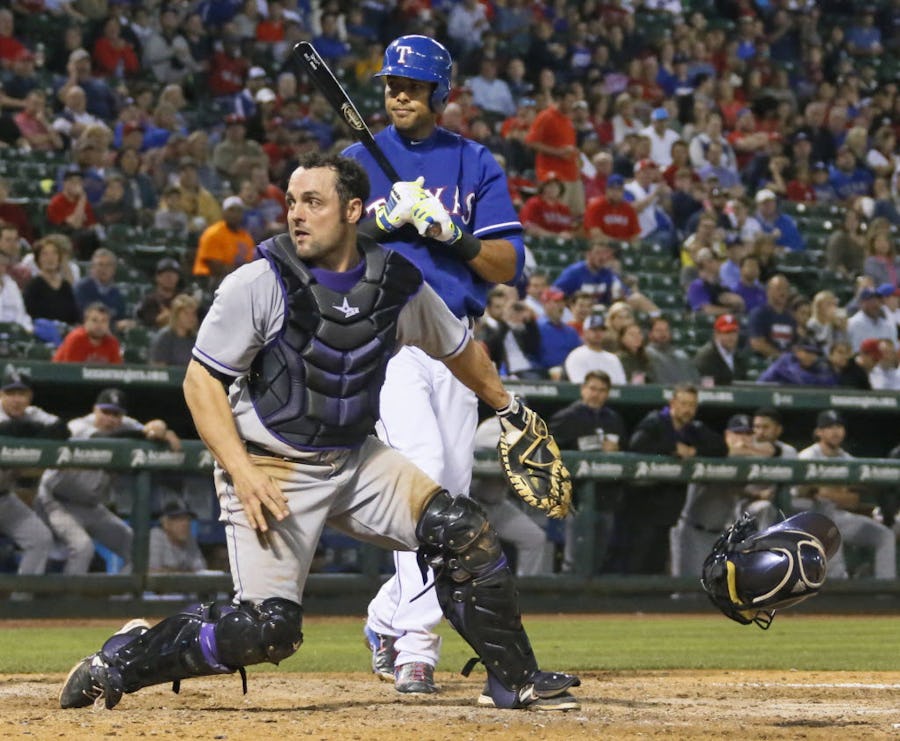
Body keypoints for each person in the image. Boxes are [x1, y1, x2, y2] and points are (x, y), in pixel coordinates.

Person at [59, 153, 579, 712]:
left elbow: (458, 349)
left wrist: (508, 407)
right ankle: (123, 657)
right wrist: (241, 472)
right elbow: (201, 383)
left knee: (463, 530)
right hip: (270, 463)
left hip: (355, 459)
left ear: (354, 210)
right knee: (265, 631)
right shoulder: (259, 280)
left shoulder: (397, 283)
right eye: (291, 201)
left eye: (313, 201)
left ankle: (515, 679)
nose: (296, 214)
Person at [339, 36, 553, 696]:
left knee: (451, 504)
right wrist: (376, 224)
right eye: (391, 84)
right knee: (424, 481)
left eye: (412, 84)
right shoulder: (354, 160)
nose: (399, 93)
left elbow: (507, 265)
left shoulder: (472, 161)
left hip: (457, 343)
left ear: (440, 93)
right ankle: (417, 647)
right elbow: (320, 254)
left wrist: (448, 233)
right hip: (389, 336)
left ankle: (386, 615)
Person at [38, 388, 181, 576]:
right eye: (105, 412)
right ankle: (70, 604)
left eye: (116, 414)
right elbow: (105, 440)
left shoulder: (124, 426)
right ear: (95, 410)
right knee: (83, 547)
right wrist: (144, 433)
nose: (110, 419)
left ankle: (120, 601)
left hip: (91, 506)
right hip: (56, 502)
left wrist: (163, 429)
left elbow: (151, 429)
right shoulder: (78, 426)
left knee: (137, 548)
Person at [625, 384, 728, 574]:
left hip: (669, 502)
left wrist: (694, 451)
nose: (688, 409)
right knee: (638, 555)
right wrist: (672, 448)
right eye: (683, 404)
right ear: (673, 403)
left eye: (692, 405)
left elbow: (720, 448)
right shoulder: (655, 421)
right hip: (644, 500)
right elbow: (637, 445)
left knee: (658, 556)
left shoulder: (693, 429)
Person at [669, 414, 776, 578]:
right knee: (687, 591)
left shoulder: (746, 460)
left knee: (714, 589)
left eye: (748, 434)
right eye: (738, 433)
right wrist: (751, 450)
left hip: (720, 534)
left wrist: (754, 494)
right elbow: (756, 452)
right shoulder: (715, 451)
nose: (743, 438)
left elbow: (770, 452)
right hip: (692, 531)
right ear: (727, 435)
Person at [794, 411, 896, 580]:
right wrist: (833, 494)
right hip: (809, 519)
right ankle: (837, 582)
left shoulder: (847, 459)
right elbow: (805, 494)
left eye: (838, 427)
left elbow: (853, 500)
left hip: (839, 516)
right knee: (828, 518)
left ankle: (884, 592)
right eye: (829, 427)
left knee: (884, 535)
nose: (835, 431)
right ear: (819, 432)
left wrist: (824, 492)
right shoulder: (807, 456)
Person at [549, 371, 627, 575]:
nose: (596, 394)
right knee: (574, 557)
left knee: (598, 556)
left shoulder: (614, 419)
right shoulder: (567, 417)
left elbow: (626, 452)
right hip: (575, 498)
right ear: (583, 389)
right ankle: (568, 602)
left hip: (605, 496)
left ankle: (591, 602)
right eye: (592, 388)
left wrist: (615, 450)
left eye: (602, 390)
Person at [0, 370, 66, 596]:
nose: (17, 399)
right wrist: (32, 432)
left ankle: (21, 604)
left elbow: (60, 429)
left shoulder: (32, 413)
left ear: (29, 397)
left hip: (5, 497)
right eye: (11, 393)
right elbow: (6, 429)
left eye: (22, 393)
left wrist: (25, 430)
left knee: (39, 537)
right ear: (1, 395)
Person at [191, 196, 255, 288]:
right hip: (208, 281)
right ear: (223, 212)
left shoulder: (247, 238)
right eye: (231, 210)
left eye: (239, 210)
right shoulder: (213, 233)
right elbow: (215, 268)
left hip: (236, 280)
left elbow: (249, 265)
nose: (235, 214)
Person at [148, 498, 208, 574]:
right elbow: (151, 572)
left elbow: (201, 571)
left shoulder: (190, 539)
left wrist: (172, 571)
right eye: (179, 520)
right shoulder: (155, 536)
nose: (185, 524)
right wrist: (187, 572)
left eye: (188, 519)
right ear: (166, 523)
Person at [564, 314, 626, 385]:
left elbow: (621, 386)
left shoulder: (613, 359)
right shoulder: (576, 355)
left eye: (601, 330)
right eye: (594, 329)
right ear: (585, 332)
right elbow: (580, 385)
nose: (598, 333)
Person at [52, 302, 122, 364]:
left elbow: (117, 372)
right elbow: (71, 372)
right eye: (94, 320)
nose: (99, 325)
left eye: (104, 321)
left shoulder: (112, 343)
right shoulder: (76, 339)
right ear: (85, 321)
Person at [747, 274, 796, 359]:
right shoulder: (759, 314)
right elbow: (757, 343)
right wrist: (780, 357)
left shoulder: (790, 318)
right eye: (779, 288)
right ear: (768, 291)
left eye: (786, 289)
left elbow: (795, 344)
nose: (783, 292)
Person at [693, 313, 749, 386]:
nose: (731, 337)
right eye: (727, 332)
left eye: (734, 332)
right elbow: (707, 389)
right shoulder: (706, 357)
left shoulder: (739, 356)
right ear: (717, 334)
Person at [645, 316, 701, 385]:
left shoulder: (681, 354)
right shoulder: (646, 354)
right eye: (658, 330)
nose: (663, 333)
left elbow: (695, 379)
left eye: (666, 330)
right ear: (650, 334)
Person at [148, 293, 200, 367]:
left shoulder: (196, 339)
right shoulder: (164, 337)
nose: (191, 318)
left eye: (193, 314)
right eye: (186, 314)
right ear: (176, 315)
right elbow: (159, 369)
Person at [757, 341, 837, 386]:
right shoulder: (786, 359)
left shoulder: (818, 364)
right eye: (807, 352)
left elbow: (830, 382)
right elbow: (800, 379)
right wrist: (816, 380)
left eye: (814, 353)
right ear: (797, 352)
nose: (811, 356)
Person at [846, 286, 898, 352]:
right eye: (871, 300)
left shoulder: (888, 325)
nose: (875, 304)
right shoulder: (852, 324)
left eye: (878, 300)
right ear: (861, 303)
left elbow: (894, 350)